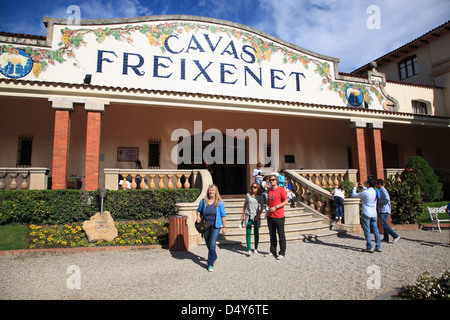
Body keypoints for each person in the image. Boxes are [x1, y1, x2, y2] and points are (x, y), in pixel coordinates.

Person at [196, 184, 227, 272]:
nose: (211, 192)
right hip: (205, 226)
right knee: (208, 244)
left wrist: (224, 227)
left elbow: (223, 215)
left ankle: (210, 264)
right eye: (210, 190)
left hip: (215, 226)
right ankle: (214, 256)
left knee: (212, 244)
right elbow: (198, 210)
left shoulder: (219, 202)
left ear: (216, 192)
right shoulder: (203, 201)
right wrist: (198, 217)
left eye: (213, 190)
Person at [352, 180, 381, 252]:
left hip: (366, 213)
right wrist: (364, 187)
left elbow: (354, 195)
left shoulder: (365, 192)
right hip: (374, 213)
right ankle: (378, 246)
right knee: (375, 230)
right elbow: (369, 191)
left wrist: (355, 187)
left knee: (367, 230)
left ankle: (369, 246)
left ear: (368, 184)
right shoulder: (375, 191)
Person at [266, 174, 289, 259]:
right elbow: (268, 201)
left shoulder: (281, 190)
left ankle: (282, 252)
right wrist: (267, 207)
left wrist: (276, 207)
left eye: (273, 180)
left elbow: (286, 201)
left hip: (279, 216)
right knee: (272, 235)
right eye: (270, 180)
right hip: (270, 215)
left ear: (276, 181)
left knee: (281, 235)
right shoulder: (269, 190)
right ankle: (273, 250)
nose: (271, 181)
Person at [241, 183, 264, 256]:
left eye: (255, 187)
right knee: (248, 232)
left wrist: (258, 215)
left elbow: (262, 207)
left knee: (256, 232)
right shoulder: (248, 195)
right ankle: (249, 249)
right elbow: (245, 205)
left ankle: (256, 248)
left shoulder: (260, 196)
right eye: (252, 187)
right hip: (248, 215)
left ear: (258, 188)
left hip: (256, 215)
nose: (253, 188)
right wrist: (242, 215)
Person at [376, 179, 400, 243]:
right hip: (382, 209)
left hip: (384, 209)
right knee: (384, 223)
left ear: (379, 184)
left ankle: (395, 236)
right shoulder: (381, 190)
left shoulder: (383, 191)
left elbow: (387, 199)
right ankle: (386, 238)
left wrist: (382, 203)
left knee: (383, 223)